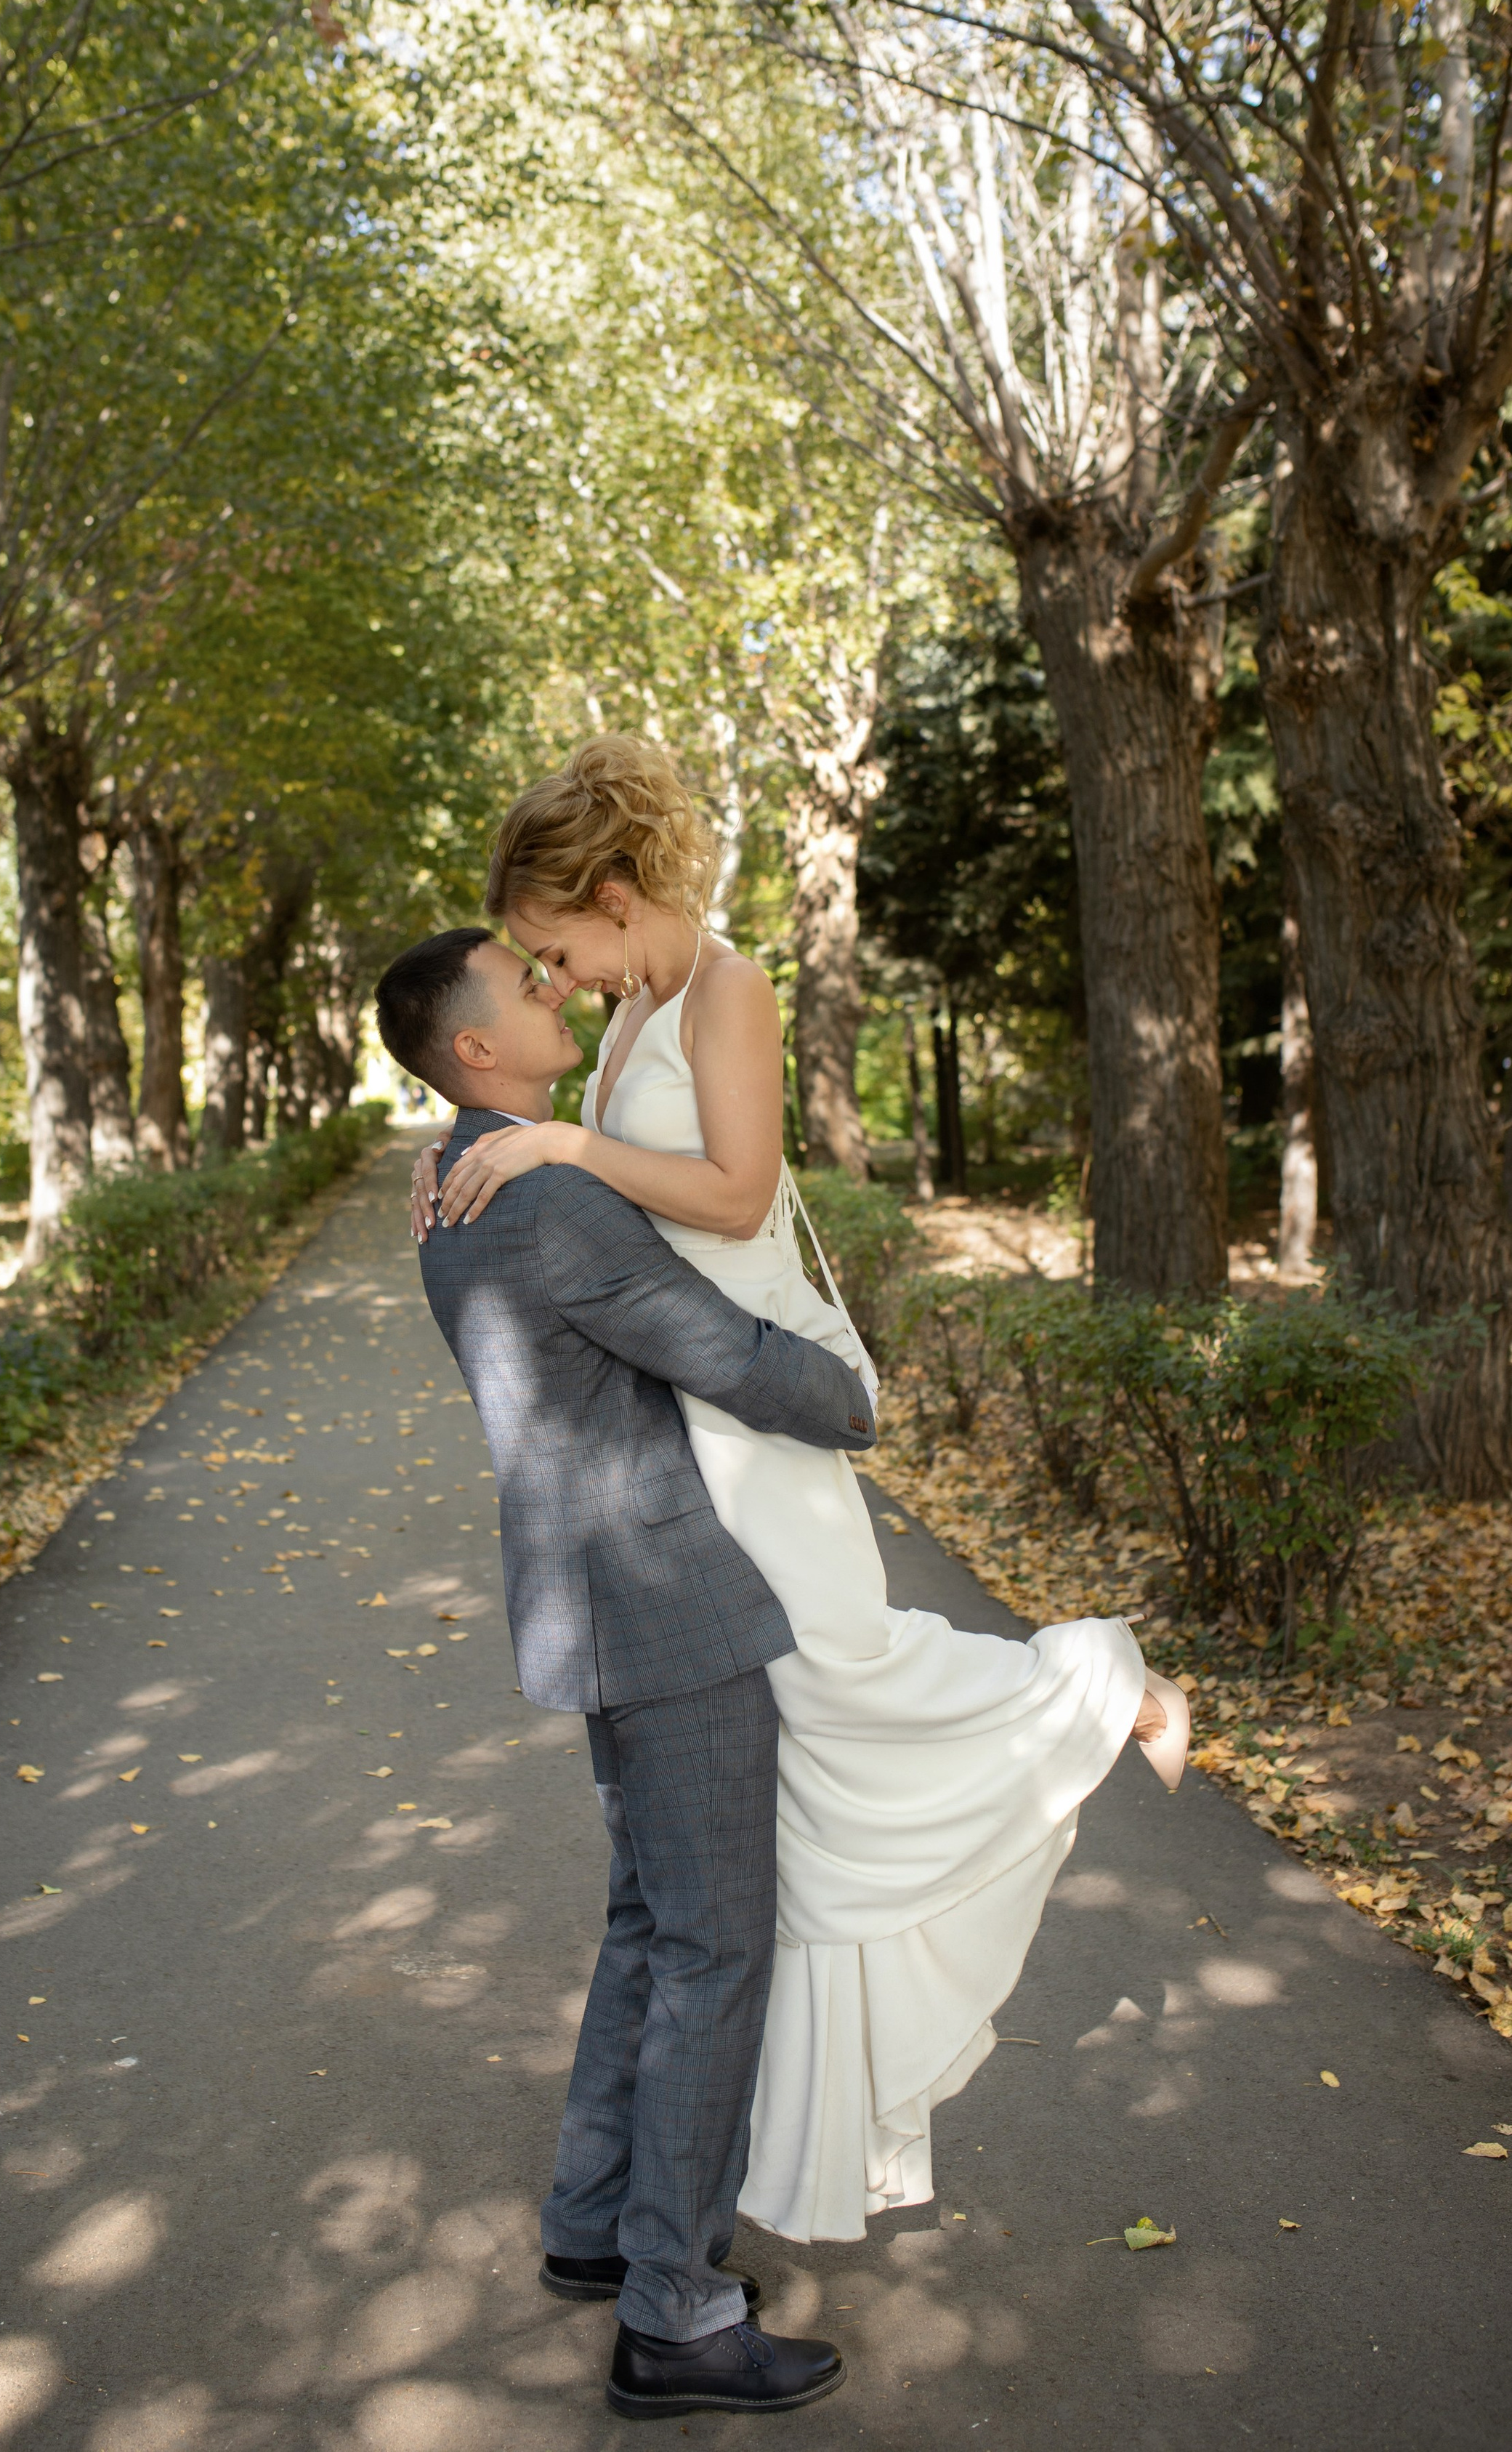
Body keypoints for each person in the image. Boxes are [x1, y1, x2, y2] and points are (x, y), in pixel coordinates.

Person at [408, 735, 1189, 2248]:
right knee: (799, 1769)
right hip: (686, 1418)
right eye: (531, 964)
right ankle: (725, 2159)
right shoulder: (631, 1006)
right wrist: (492, 1145)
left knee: (844, 1664)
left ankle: (1107, 1686)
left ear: (613, 894)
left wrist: (554, 1134)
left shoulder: (726, 990)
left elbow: (740, 1197)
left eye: (550, 941)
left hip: (751, 1402)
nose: (547, 977)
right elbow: (571, 1195)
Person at [374, 925, 866, 2421]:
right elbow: (721, 1351)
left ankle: (594, 2225)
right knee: (715, 1947)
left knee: (653, 1923)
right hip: (665, 1607)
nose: (552, 991)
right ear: (473, 1052)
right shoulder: (551, 1203)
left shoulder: (465, 1184)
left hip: (587, 1601)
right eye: (523, 989)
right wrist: (849, 1390)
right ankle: (674, 2310)